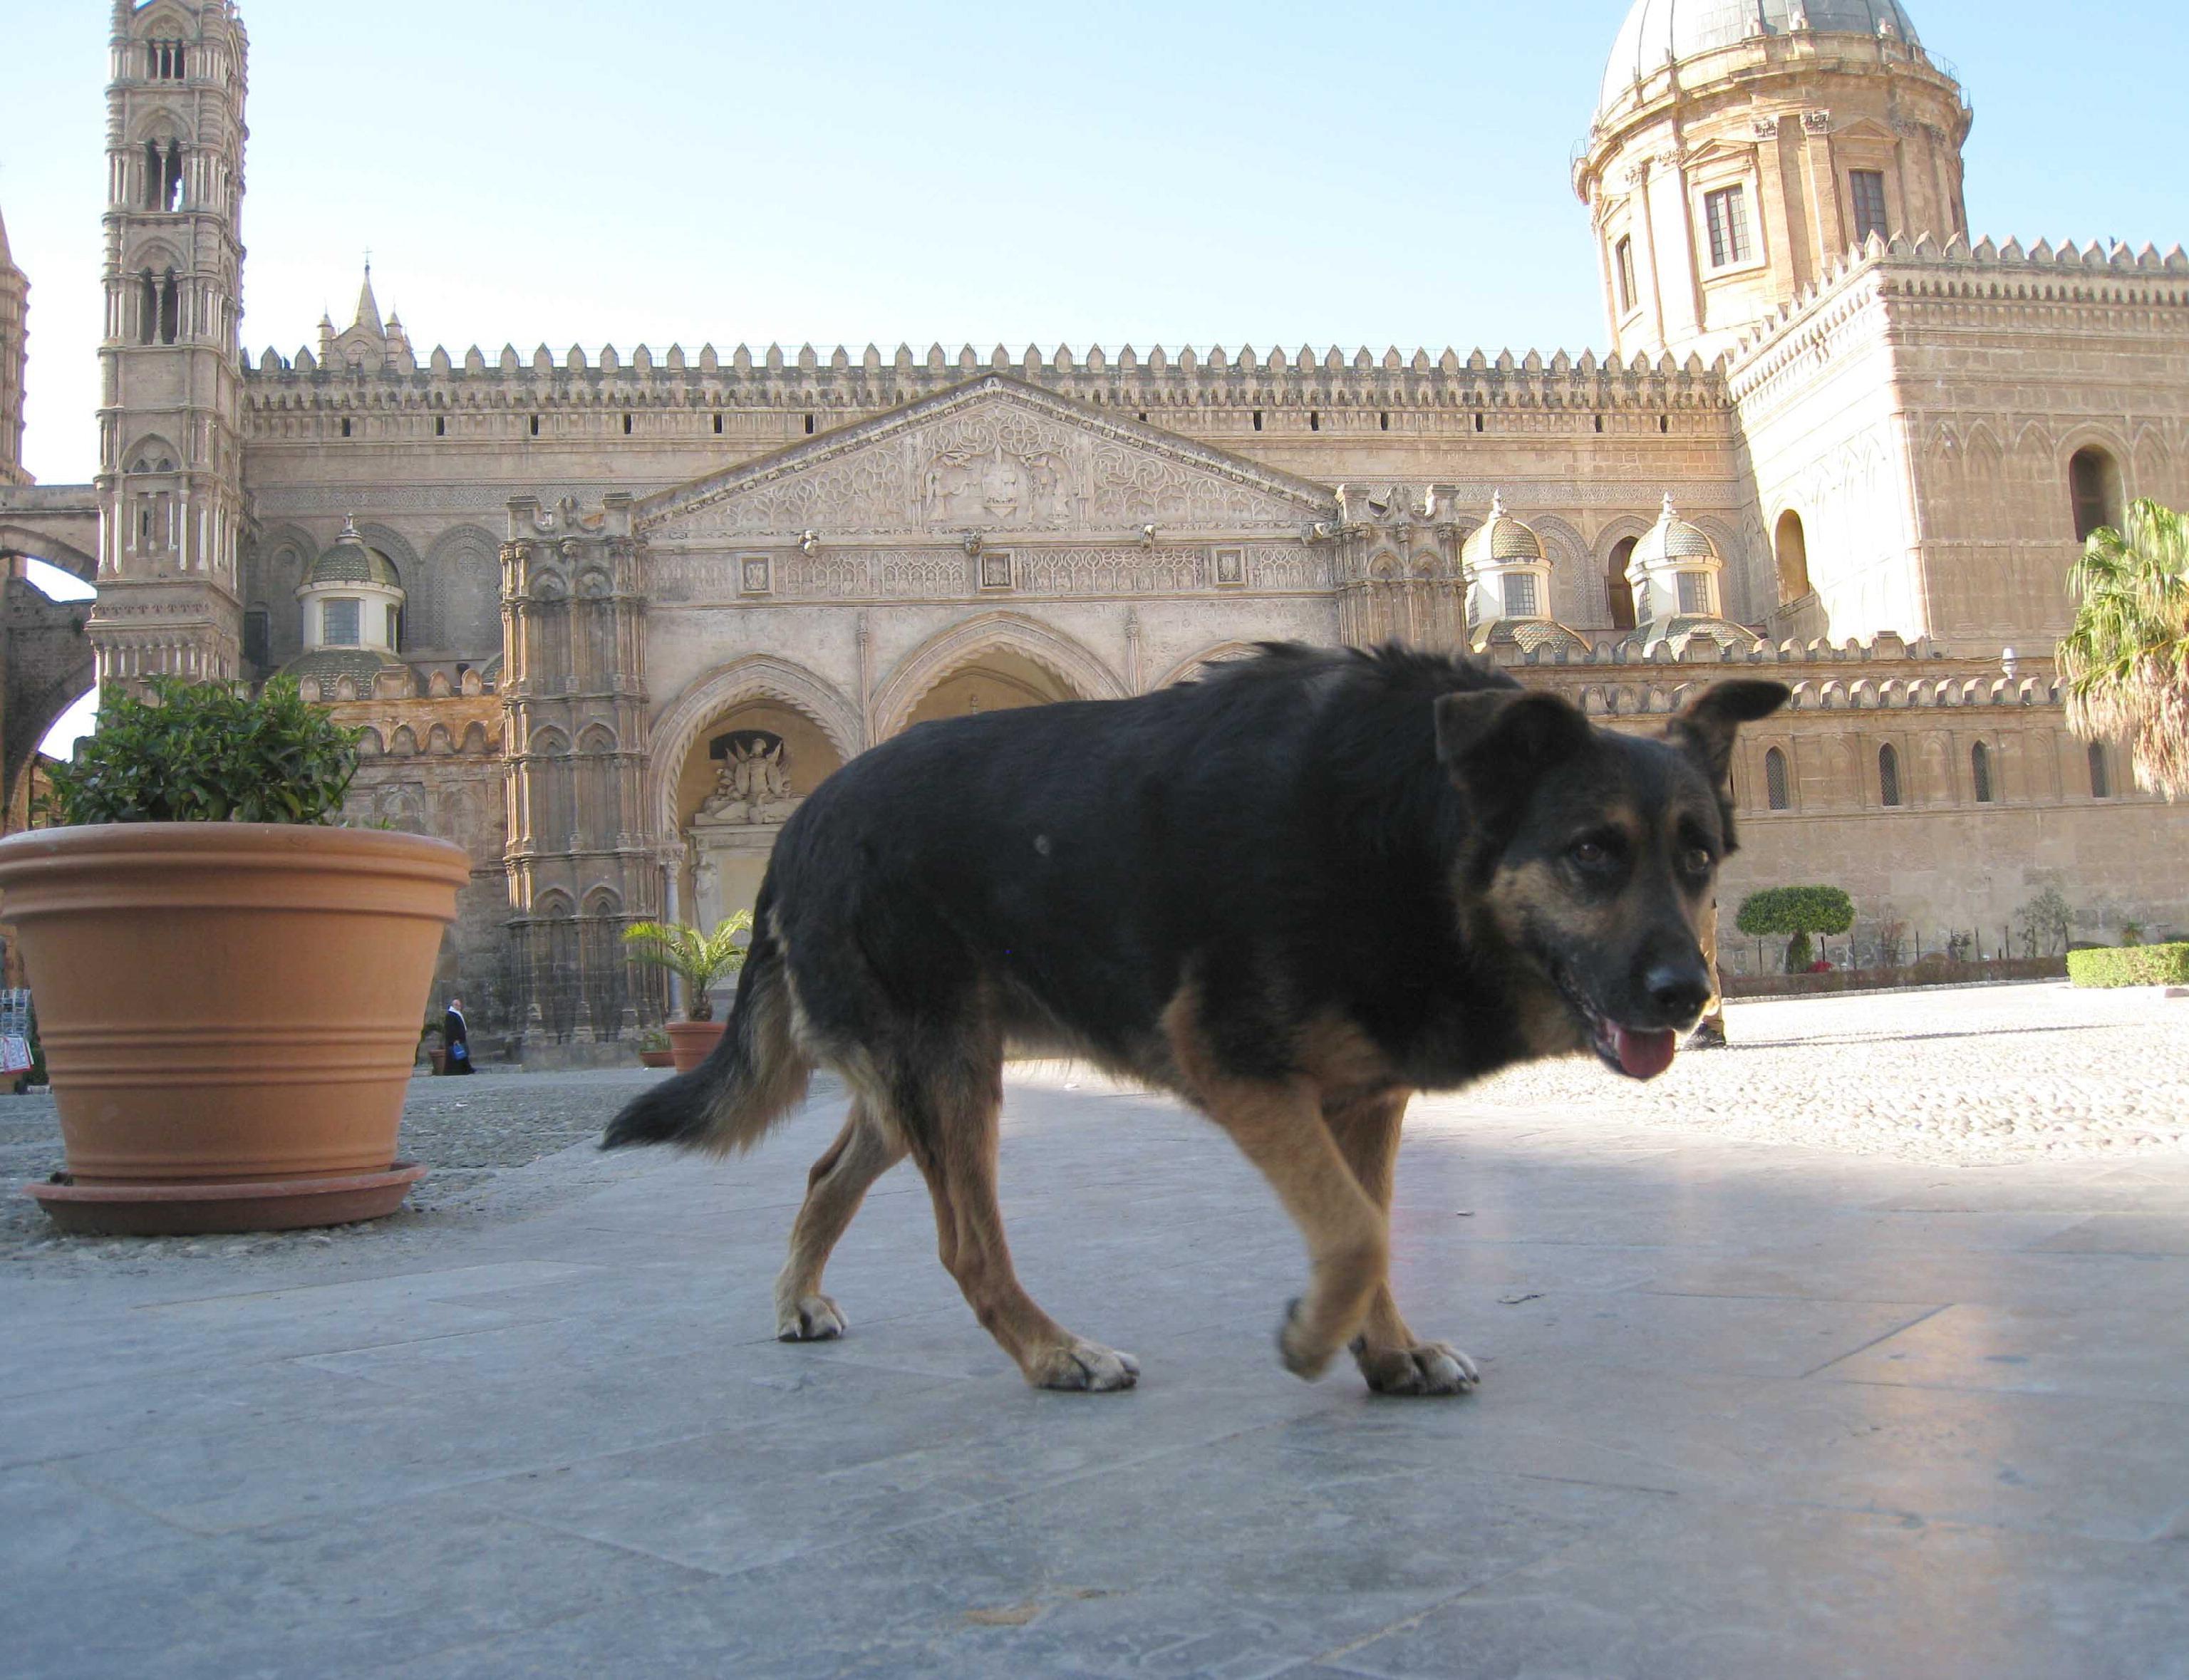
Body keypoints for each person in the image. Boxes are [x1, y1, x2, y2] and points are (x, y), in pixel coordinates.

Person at [443, 996, 473, 1075]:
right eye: (456, 1005)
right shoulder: (451, 1015)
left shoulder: (457, 1014)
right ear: (453, 1005)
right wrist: (455, 1039)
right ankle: (457, 1071)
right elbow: (451, 1029)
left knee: (462, 1054)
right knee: (457, 1055)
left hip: (461, 1039)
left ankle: (466, 1069)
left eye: (459, 1005)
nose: (458, 1007)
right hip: (456, 1040)